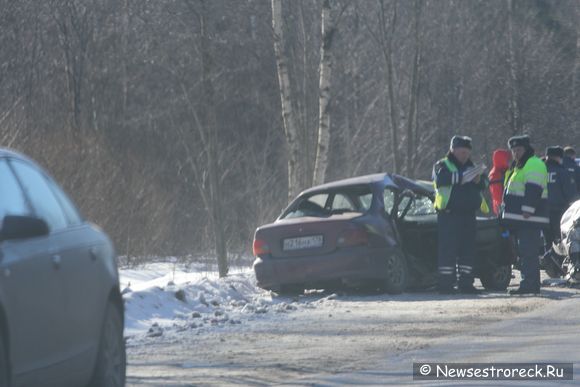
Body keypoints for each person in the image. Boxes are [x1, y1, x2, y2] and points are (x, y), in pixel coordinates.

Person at [432, 135, 489, 294]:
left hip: (469, 215)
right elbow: (441, 179)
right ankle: (446, 285)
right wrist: (463, 177)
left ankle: (466, 283)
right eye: (461, 152)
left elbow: (485, 183)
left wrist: (477, 180)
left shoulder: (473, 167)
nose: (464, 155)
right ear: (452, 150)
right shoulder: (443, 165)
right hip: (449, 215)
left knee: (467, 250)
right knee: (448, 251)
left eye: (466, 152)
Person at [501, 135, 549, 295]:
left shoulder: (533, 163)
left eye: (519, 150)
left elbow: (534, 189)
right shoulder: (520, 165)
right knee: (526, 252)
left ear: (527, 149)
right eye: (513, 150)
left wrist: (528, 209)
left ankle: (529, 284)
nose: (515, 153)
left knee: (528, 252)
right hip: (523, 219)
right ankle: (530, 283)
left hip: (529, 217)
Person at [543, 146, 576, 251]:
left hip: (542, 211)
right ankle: (558, 263)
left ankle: (548, 261)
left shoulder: (539, 171)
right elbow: (571, 194)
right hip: (559, 211)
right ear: (558, 158)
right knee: (559, 238)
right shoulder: (562, 172)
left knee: (547, 239)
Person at [488, 149, 511, 216]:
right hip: (501, 208)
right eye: (507, 159)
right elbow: (497, 195)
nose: (509, 161)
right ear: (502, 159)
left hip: (504, 207)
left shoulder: (503, 170)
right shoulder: (495, 174)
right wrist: (503, 205)